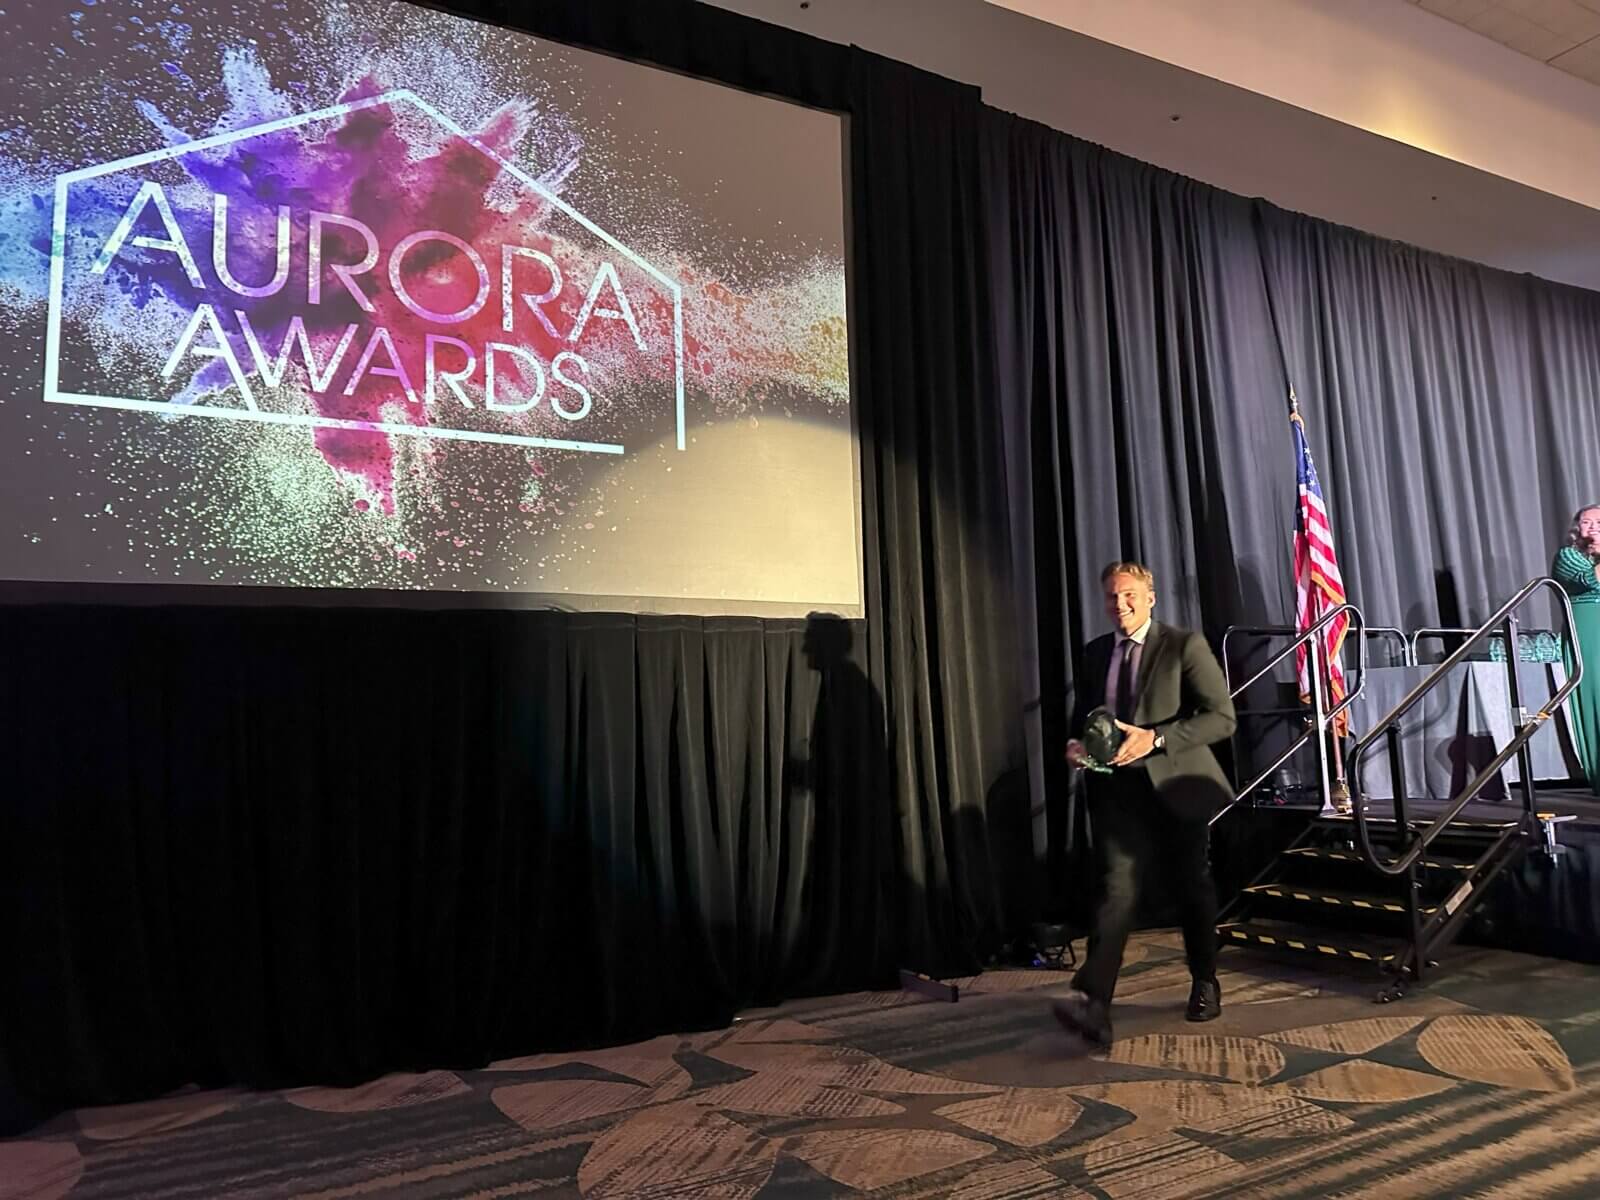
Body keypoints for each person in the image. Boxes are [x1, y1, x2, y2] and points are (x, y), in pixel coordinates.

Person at [1052, 561, 1237, 1047]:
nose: (1121, 605)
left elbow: (1222, 719)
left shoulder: (1183, 645)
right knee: (1116, 892)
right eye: (1112, 597)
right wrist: (1075, 744)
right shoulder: (1095, 653)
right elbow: (1082, 717)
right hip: (1116, 791)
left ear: (1151, 597)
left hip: (1177, 785)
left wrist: (1156, 739)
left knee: (1191, 887)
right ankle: (1096, 1004)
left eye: (1130, 595)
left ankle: (1205, 980)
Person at [1552, 506, 1600, 795]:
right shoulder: (1568, 557)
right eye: (1587, 522)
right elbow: (1588, 580)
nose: (1593, 526)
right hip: (1590, 632)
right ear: (1576, 529)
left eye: (1599, 522)